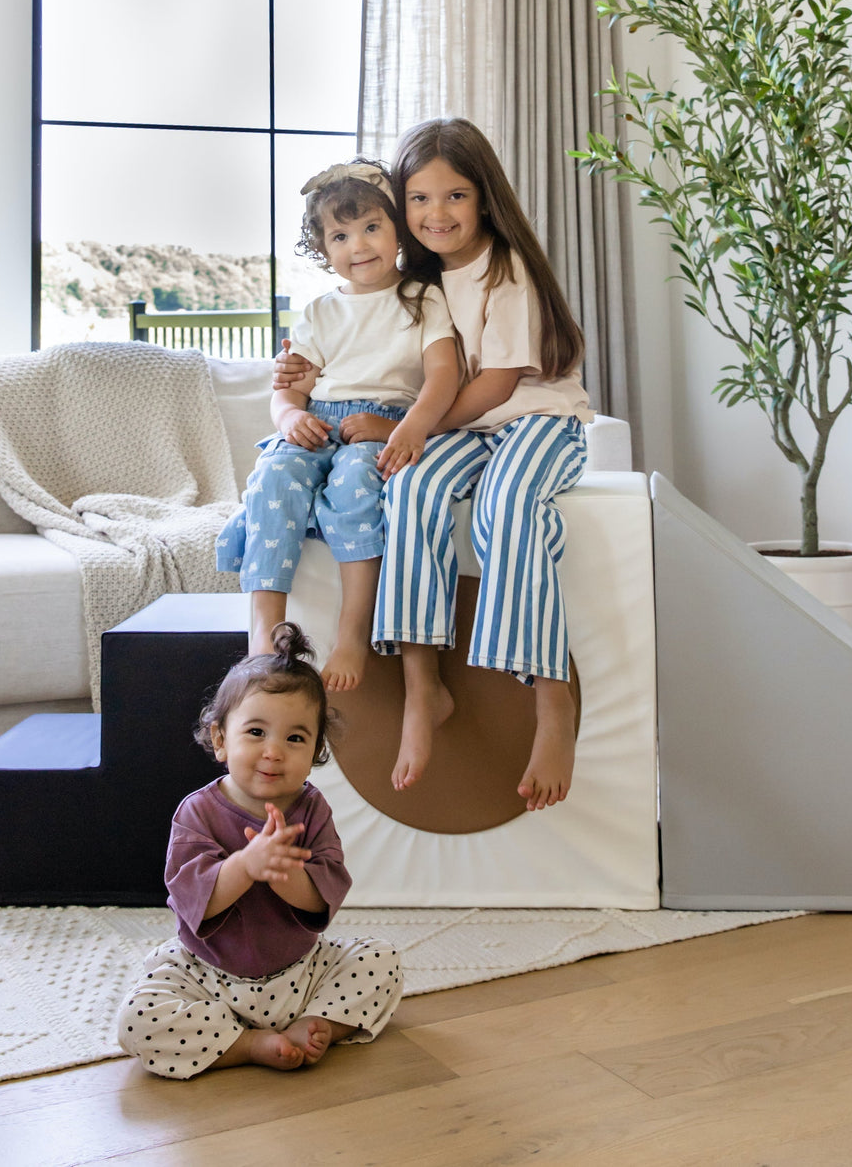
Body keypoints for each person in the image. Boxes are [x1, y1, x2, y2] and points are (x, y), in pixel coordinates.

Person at [275, 118, 592, 812]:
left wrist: (402, 425)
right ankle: (425, 687)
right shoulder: (411, 282)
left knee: (507, 505)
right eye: (419, 199)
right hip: (459, 430)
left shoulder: (506, 274)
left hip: (533, 419)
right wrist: (301, 374)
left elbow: (497, 387)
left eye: (453, 196)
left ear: (484, 199)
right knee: (409, 487)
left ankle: (551, 697)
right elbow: (357, 346)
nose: (435, 214)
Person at [117, 622, 403, 1078]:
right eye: (255, 732)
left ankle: (316, 1024)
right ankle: (247, 1045)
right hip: (208, 976)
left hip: (301, 971)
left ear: (315, 752)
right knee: (138, 1021)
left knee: (381, 959)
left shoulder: (312, 809)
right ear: (219, 740)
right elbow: (197, 902)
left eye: (295, 738)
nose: (274, 751)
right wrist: (248, 865)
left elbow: (324, 895)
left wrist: (286, 874)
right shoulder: (197, 813)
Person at [216, 159, 459, 691]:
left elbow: (445, 375)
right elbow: (288, 390)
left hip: (382, 422)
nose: (359, 245)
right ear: (325, 251)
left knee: (354, 484)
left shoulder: (422, 299)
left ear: (397, 229)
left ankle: (353, 632)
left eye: (372, 227)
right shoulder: (320, 312)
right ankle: (264, 631)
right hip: (317, 424)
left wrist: (406, 428)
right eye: (340, 236)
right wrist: (292, 416)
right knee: (274, 478)